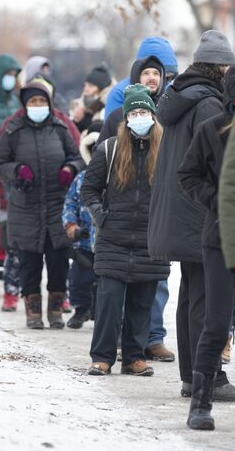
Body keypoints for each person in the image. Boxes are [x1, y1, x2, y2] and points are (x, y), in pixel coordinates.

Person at [178, 62, 235, 428]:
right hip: (220, 236)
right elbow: (188, 174)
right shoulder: (212, 130)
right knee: (216, 322)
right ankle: (200, 401)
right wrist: (216, 198)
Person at [148, 30, 235, 397]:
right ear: (217, 66)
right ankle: (209, 378)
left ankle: (191, 376)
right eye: (227, 65)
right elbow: (217, 162)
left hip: (177, 212)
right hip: (199, 213)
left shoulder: (180, 98)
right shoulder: (209, 104)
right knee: (207, 300)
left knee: (191, 297)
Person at [82, 84, 168, 376]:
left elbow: (177, 190)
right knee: (108, 302)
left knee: (141, 304)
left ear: (153, 115)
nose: (140, 116)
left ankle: (134, 357)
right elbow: (89, 188)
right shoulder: (110, 149)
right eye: (134, 112)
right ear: (126, 117)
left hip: (150, 239)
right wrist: (101, 217)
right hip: (114, 239)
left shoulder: (166, 149)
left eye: (145, 111)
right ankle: (102, 357)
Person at [98, 46, 175, 363]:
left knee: (154, 286)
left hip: (151, 223)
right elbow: (99, 167)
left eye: (157, 73)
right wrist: (101, 216)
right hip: (119, 224)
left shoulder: (170, 113)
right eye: (146, 72)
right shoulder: (116, 117)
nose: (152, 78)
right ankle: (115, 344)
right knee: (114, 292)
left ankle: (151, 339)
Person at [0, 81, 83, 329]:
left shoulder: (60, 128)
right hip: (25, 207)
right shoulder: (13, 130)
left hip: (57, 206)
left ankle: (55, 310)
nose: (38, 106)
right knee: (29, 263)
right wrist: (17, 171)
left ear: (49, 103)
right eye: (33, 102)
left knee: (58, 261)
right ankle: (32, 312)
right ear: (25, 105)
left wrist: (69, 169)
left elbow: (77, 157)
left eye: (42, 101)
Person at [61, 126, 99, 329]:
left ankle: (100, 313)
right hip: (83, 242)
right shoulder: (81, 179)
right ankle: (81, 309)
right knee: (78, 279)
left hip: (105, 243)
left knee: (103, 283)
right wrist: (71, 226)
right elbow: (70, 204)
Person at [104, 37, 178, 120]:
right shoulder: (120, 93)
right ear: (138, 71)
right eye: (146, 73)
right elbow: (112, 127)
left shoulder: (171, 91)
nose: (153, 78)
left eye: (168, 76)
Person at [72, 65, 113, 133]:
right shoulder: (82, 104)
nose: (86, 89)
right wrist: (77, 120)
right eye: (85, 85)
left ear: (101, 89)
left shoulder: (107, 107)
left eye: (91, 86)